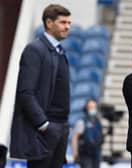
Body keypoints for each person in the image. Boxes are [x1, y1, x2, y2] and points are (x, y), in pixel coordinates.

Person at [10, 4, 71, 168]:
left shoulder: (60, 51)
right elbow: (25, 93)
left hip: (61, 128)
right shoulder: (35, 50)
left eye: (69, 23)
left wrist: (63, 127)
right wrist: (43, 125)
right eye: (63, 22)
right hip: (45, 130)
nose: (67, 27)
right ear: (49, 23)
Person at [71, 99, 103, 168]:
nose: (93, 109)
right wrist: (75, 154)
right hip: (85, 154)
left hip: (96, 153)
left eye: (94, 107)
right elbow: (74, 138)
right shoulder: (82, 121)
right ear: (86, 108)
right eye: (91, 107)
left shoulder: (97, 121)